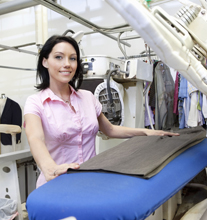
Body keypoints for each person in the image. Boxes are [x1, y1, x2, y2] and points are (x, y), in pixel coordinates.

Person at [24, 35, 179, 188]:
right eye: (59, 57)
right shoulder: (35, 102)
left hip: (90, 181)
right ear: (45, 61)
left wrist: (146, 132)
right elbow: (35, 139)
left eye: (72, 58)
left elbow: (110, 129)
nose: (67, 64)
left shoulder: (88, 97)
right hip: (57, 183)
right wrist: (50, 167)